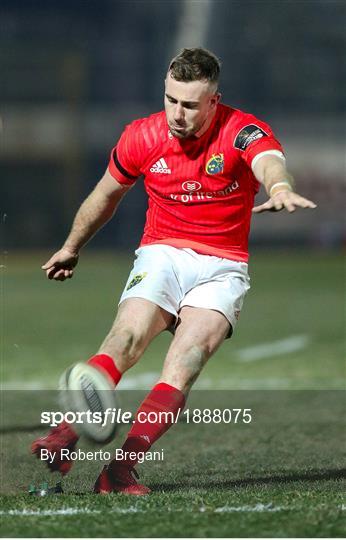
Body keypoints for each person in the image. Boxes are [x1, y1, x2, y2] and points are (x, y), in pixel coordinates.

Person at [32, 47, 316, 495]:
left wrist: (279, 185)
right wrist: (71, 247)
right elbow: (106, 195)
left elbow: (268, 160)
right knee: (125, 340)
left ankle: (119, 471)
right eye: (170, 100)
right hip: (162, 252)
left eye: (189, 104)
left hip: (223, 266)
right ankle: (65, 435)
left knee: (185, 363)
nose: (177, 114)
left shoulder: (241, 130)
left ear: (213, 101)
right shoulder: (142, 136)